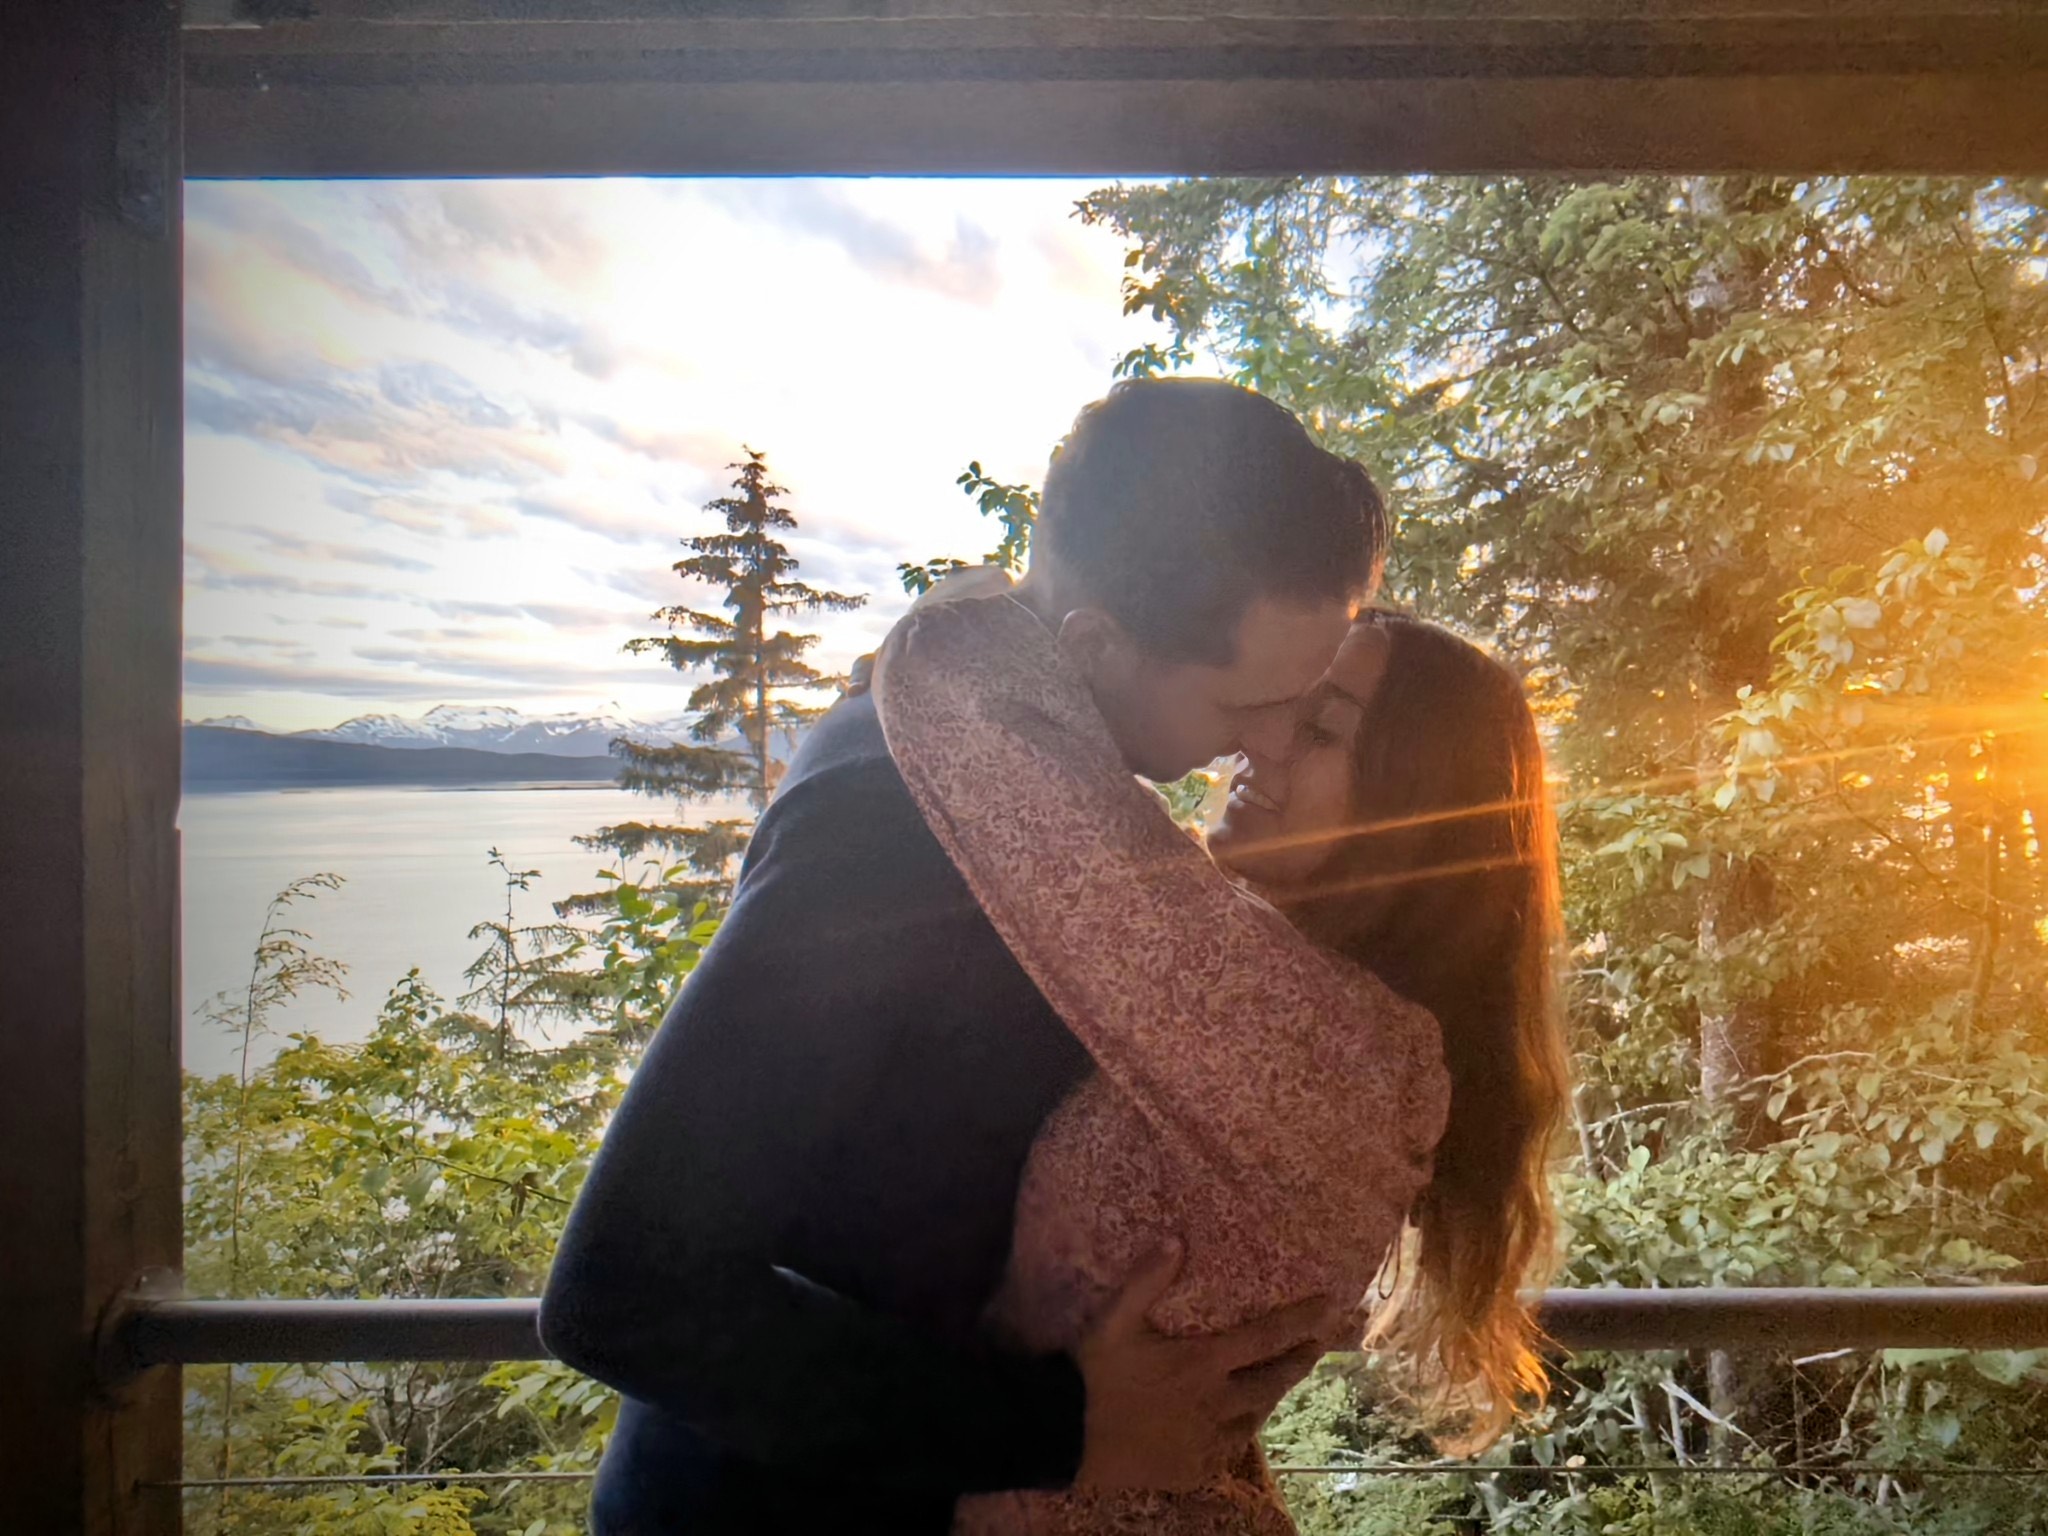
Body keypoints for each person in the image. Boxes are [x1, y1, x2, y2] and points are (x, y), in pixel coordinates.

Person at [539, 379, 1396, 1533]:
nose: (1271, 741)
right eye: (1247, 703)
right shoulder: (893, 818)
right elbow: (618, 1290)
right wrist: (1061, 1429)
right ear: (1093, 648)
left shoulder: (1010, 774)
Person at [867, 600, 1568, 1534]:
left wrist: (1044, 592)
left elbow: (950, 674)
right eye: (1278, 705)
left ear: (1418, 806)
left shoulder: (1315, 1042)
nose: (1257, 740)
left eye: (1317, 727)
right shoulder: (1350, 1041)